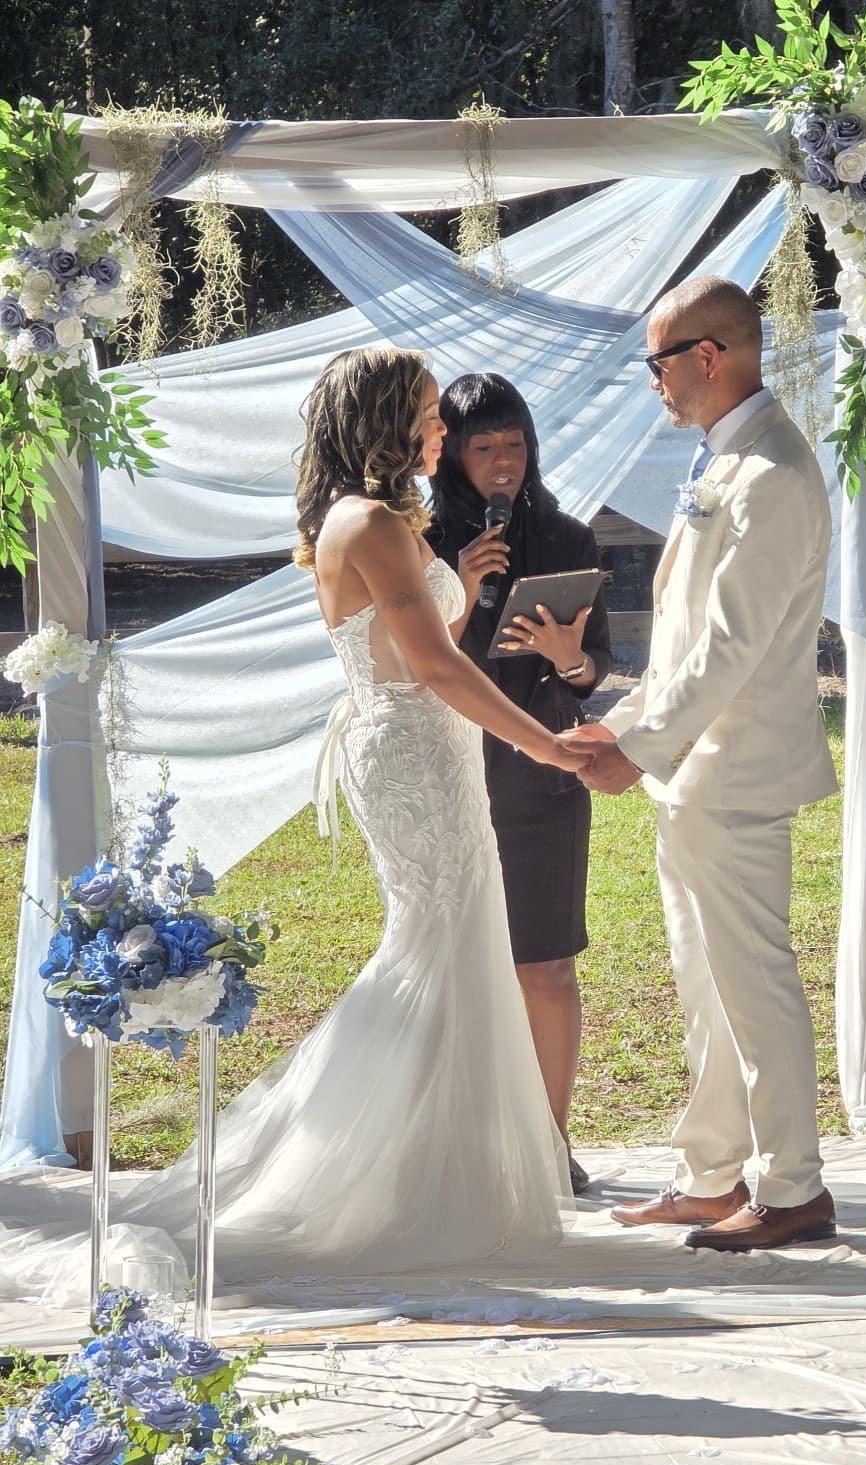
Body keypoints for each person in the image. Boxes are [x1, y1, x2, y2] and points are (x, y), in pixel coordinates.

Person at [0, 348, 582, 1301]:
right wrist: (548, 746)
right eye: (430, 413)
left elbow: (417, 642)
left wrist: (468, 588)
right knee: (435, 944)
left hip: (427, 746)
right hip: (412, 754)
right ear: (388, 420)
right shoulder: (372, 524)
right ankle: (372, 1171)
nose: (443, 430)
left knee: (459, 943)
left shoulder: (378, 520)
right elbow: (433, 667)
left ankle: (436, 1166)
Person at [565, 276, 840, 1252]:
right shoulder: (725, 459)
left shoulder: (772, 474)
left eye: (658, 362)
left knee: (753, 981)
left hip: (737, 770)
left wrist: (635, 746)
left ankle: (793, 1184)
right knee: (704, 984)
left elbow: (730, 647)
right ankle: (711, 1171)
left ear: (708, 357)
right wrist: (623, 725)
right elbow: (684, 639)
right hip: (693, 771)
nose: (654, 381)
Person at [429, 373, 612, 1197]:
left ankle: (549, 1142)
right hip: (451, 769)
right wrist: (463, 586)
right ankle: (465, 1144)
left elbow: (593, 668)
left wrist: (569, 660)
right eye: (483, 446)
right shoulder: (420, 541)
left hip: (543, 773)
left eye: (515, 444)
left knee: (545, 964)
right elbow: (412, 661)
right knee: (458, 967)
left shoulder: (570, 539)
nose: (503, 461)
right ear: (453, 456)